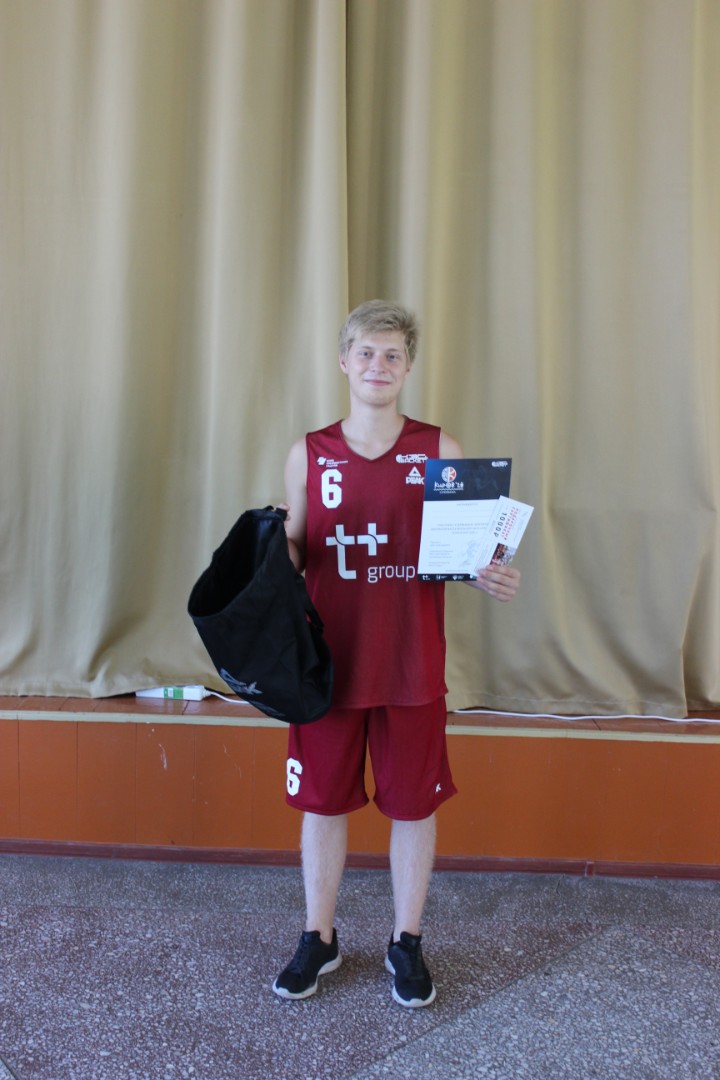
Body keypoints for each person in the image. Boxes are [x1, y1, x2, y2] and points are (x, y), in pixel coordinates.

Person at [272, 300, 521, 1008]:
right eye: (366, 353)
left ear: (408, 368)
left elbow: (469, 550)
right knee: (322, 803)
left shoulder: (440, 450)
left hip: (411, 662)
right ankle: (319, 937)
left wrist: (490, 570)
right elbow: (295, 546)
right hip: (327, 664)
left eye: (392, 355)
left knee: (412, 807)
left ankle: (406, 941)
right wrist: (268, 554)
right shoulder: (309, 453)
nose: (377, 366)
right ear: (343, 362)